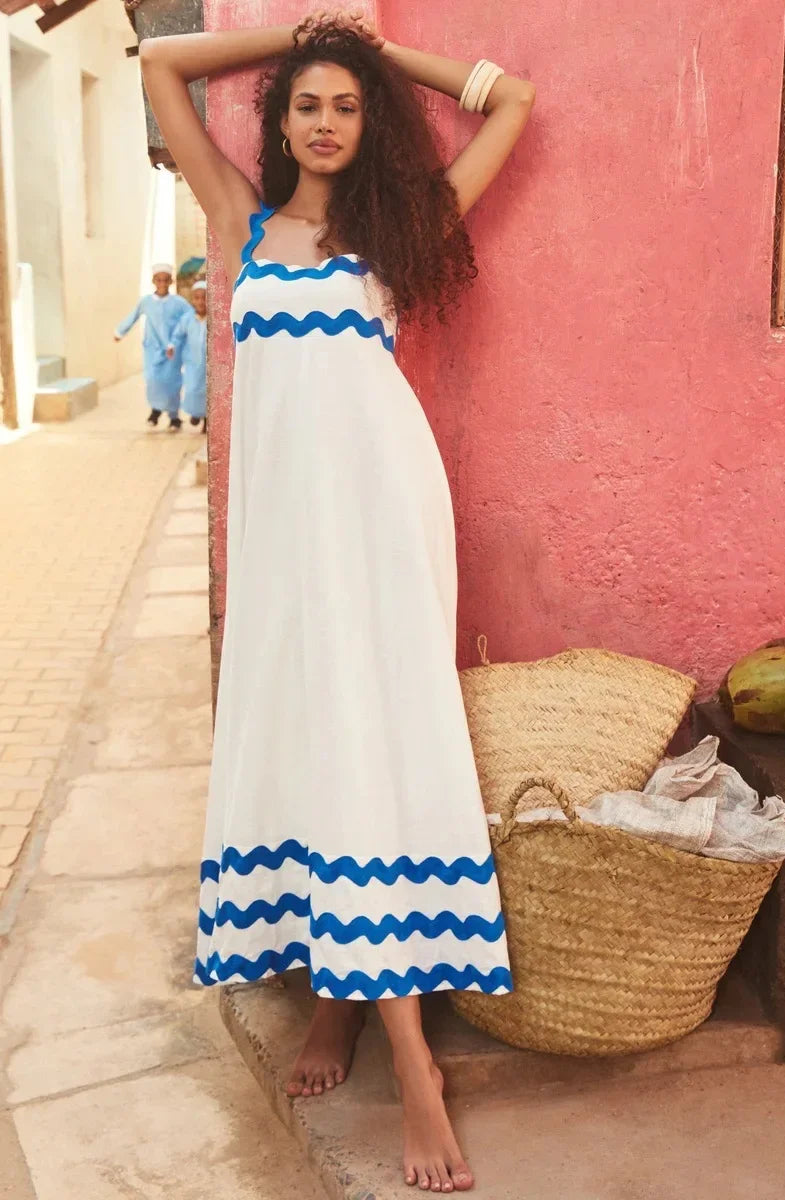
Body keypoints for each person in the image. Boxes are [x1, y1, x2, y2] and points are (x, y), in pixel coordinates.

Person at [140, 11, 533, 1193]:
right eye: (305, 102)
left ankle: (411, 1056)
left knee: (371, 735)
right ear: (278, 121)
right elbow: (158, 60)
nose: (322, 121)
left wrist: (372, 55)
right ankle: (335, 999)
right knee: (306, 737)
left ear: (367, 125)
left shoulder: (399, 228)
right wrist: (308, 37)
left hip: (376, 523)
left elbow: (510, 99)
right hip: (281, 540)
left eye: (343, 105)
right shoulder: (239, 222)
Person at [114, 264, 192, 431]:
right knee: (153, 381)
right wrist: (120, 332)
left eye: (165, 279)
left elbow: (191, 319)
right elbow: (133, 316)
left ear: (171, 281)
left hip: (172, 351)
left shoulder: (179, 303)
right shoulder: (146, 302)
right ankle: (155, 411)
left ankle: (174, 417)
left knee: (172, 383)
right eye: (159, 279)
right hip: (152, 350)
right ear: (153, 281)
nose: (162, 283)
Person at [171, 279, 208, 433]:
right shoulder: (186, 319)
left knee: (208, 392)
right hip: (192, 363)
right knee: (192, 389)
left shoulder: (214, 318)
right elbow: (177, 335)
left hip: (208, 364)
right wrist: (172, 346)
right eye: (197, 298)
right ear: (192, 300)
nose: (200, 301)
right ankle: (195, 413)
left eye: (204, 297)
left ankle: (207, 421)